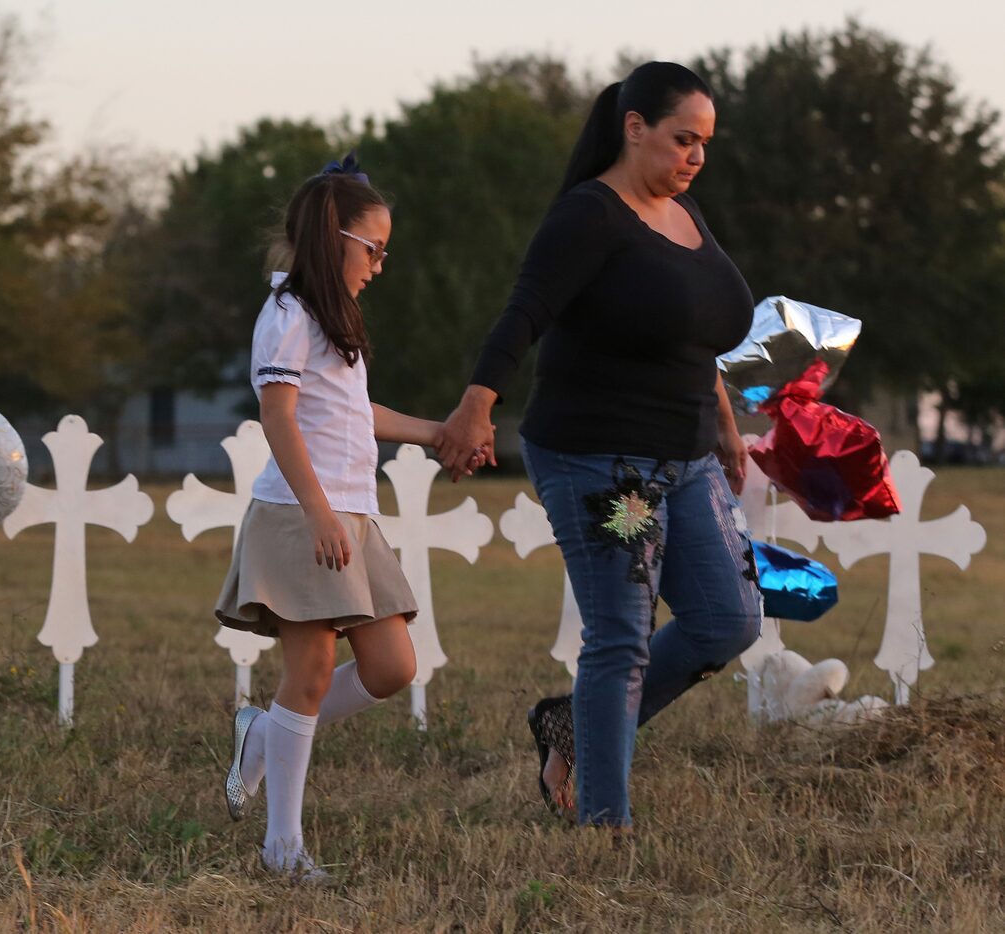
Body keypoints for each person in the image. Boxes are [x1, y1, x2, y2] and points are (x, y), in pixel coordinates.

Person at [436, 62, 763, 830]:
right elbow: (524, 314)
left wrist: (721, 423)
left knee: (729, 620)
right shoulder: (590, 214)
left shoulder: (687, 216)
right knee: (620, 638)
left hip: (685, 459)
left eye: (705, 144)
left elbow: (697, 337)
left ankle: (569, 729)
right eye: (683, 139)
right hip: (603, 465)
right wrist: (476, 407)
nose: (695, 158)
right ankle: (603, 826)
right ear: (634, 126)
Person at [216, 155, 488, 881]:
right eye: (374, 248)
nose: (380, 263)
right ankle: (283, 848)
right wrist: (317, 514)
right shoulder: (285, 315)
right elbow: (279, 418)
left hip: (353, 515)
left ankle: (262, 738)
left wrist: (437, 432)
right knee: (307, 672)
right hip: (302, 514)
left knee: (393, 667)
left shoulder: (336, 319)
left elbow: (351, 413)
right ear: (335, 236)